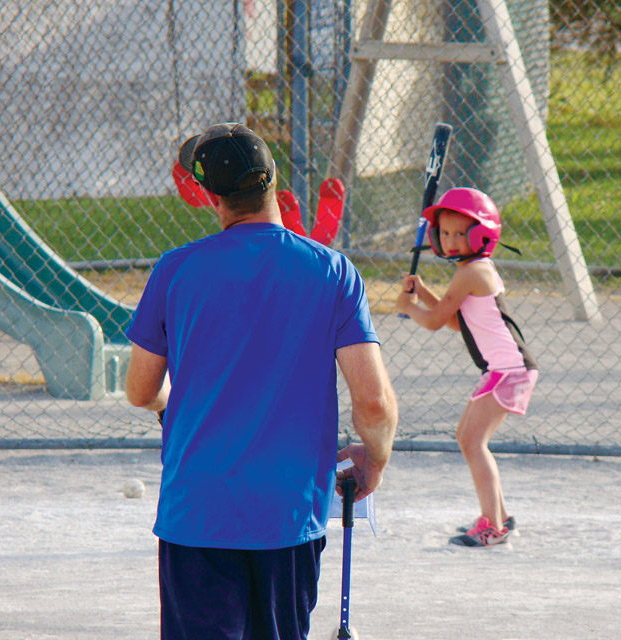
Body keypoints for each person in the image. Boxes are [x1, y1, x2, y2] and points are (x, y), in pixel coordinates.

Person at [125, 122, 398, 639]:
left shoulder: (174, 271)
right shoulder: (333, 272)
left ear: (210, 196)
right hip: (289, 513)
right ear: (274, 180)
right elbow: (375, 403)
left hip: (197, 512)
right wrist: (375, 458)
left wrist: (173, 408)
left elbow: (141, 390)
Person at [395, 187, 537, 548]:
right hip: (500, 369)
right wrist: (423, 292)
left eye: (461, 233)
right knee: (467, 438)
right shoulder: (472, 270)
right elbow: (458, 322)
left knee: (473, 442)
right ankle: (499, 517)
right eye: (445, 234)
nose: (452, 241)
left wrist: (408, 306)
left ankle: (493, 526)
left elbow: (433, 321)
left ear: (482, 234)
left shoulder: (471, 273)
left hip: (509, 370)